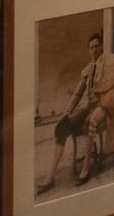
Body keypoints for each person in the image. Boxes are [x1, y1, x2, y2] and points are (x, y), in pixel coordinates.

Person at [39, 34, 104, 192]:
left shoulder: (108, 64)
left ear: (101, 47)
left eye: (96, 46)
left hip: (102, 107)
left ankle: (86, 169)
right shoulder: (87, 70)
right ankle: (50, 177)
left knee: (90, 121)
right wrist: (66, 113)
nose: (94, 49)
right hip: (88, 108)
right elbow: (77, 94)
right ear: (88, 51)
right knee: (62, 126)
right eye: (91, 47)